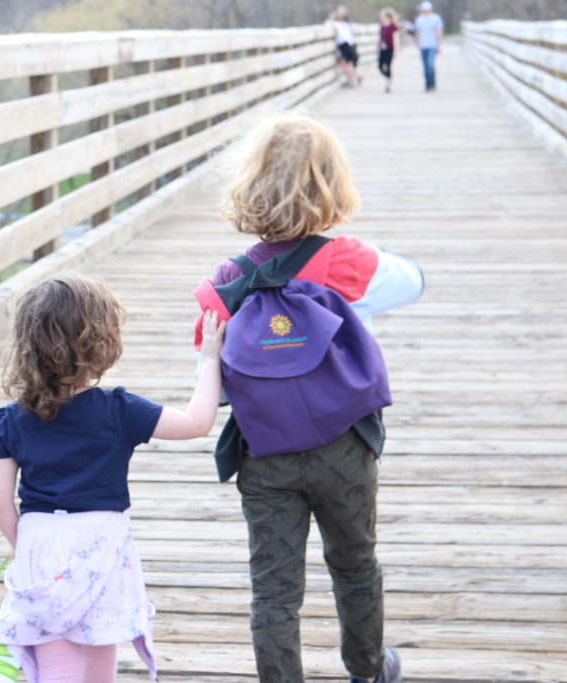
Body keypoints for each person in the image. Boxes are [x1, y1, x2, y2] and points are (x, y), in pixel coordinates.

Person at [196, 113, 423, 683]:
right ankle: (367, 670)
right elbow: (414, 280)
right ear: (331, 184)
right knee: (355, 562)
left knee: (273, 590)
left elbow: (206, 354)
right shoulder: (348, 261)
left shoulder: (228, 277)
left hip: (264, 453)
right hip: (344, 448)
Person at [0, 274, 226, 683]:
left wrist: (21, 544)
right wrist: (211, 357)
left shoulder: (9, 419)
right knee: (99, 648)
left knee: (55, 663)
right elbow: (197, 423)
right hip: (99, 541)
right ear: (100, 342)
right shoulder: (118, 409)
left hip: (40, 538)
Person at [327, 5, 360, 88]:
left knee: (346, 64)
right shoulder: (347, 24)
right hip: (350, 45)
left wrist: (331, 19)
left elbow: (327, 23)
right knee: (347, 64)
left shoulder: (338, 24)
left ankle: (352, 81)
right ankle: (354, 79)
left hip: (345, 45)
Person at [414, 0, 444, 91]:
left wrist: (439, 45)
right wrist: (417, 42)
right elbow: (417, 31)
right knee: (425, 66)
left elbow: (439, 32)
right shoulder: (419, 19)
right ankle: (427, 84)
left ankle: (432, 82)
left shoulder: (436, 18)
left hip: (432, 45)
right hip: (423, 45)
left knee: (430, 64)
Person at [377, 8, 401, 93]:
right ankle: (388, 77)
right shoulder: (382, 26)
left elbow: (396, 39)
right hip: (382, 49)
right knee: (380, 66)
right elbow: (380, 38)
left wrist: (396, 50)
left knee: (388, 65)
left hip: (390, 49)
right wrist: (377, 48)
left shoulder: (393, 26)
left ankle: (388, 84)